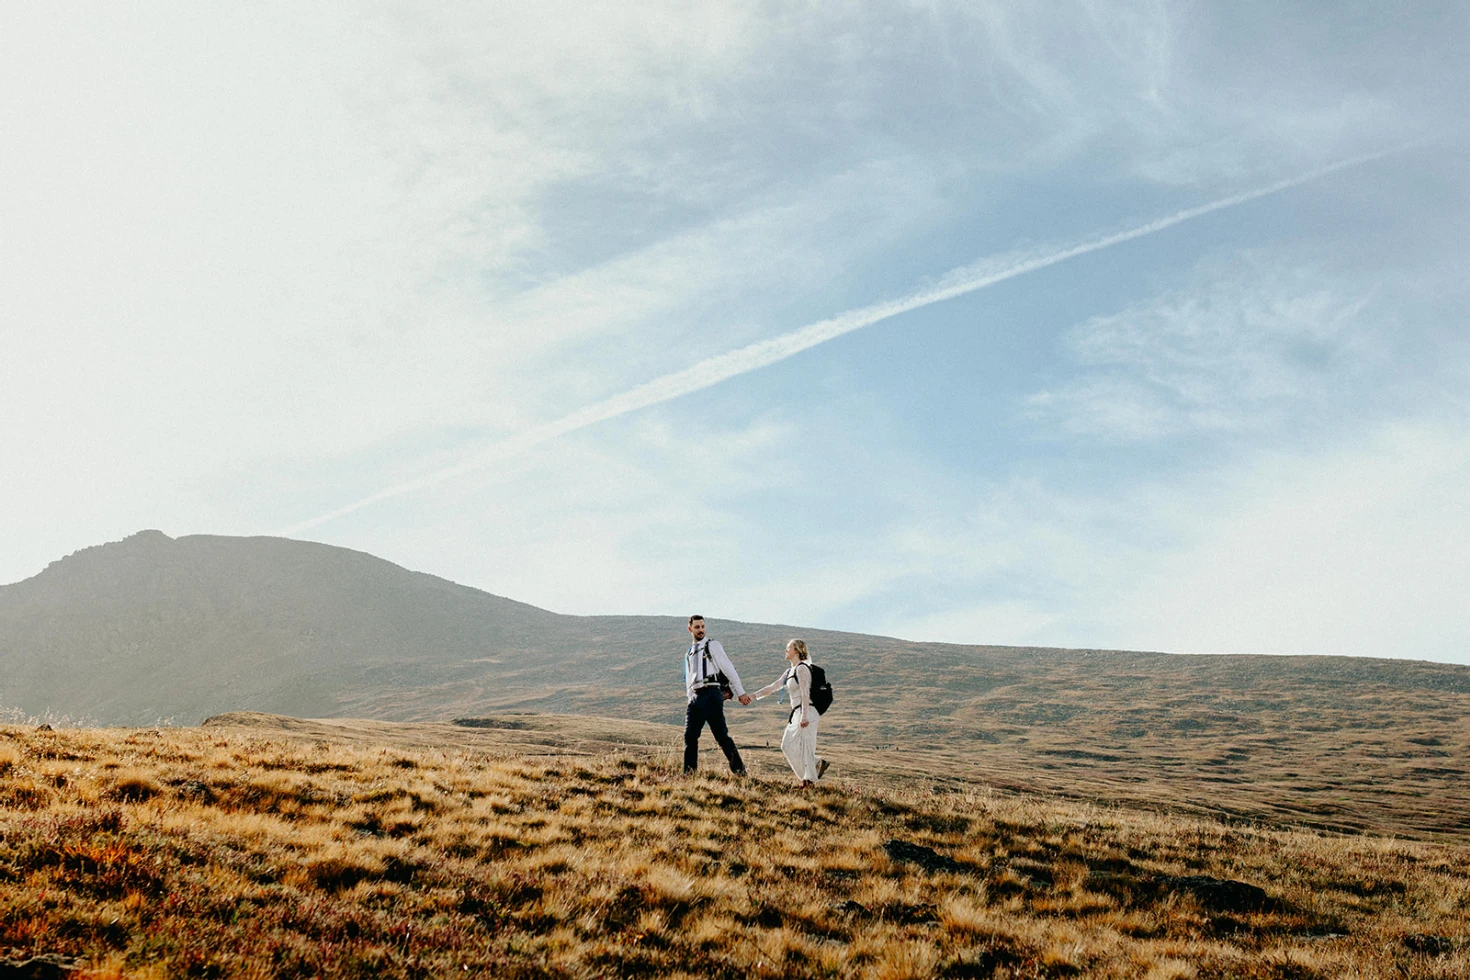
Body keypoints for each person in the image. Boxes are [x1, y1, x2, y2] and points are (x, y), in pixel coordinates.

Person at [752, 638, 828, 788]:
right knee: (786, 745)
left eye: (788, 648)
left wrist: (805, 715)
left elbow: (805, 692)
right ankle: (817, 764)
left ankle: (808, 782)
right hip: (797, 712)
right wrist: (753, 696)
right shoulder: (789, 672)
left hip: (807, 711)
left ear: (797, 650)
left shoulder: (802, 669)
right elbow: (773, 686)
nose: (786, 650)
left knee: (806, 746)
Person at [683, 615, 752, 775]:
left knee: (721, 735)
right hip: (695, 696)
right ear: (690, 629)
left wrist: (740, 692)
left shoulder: (712, 645)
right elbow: (688, 679)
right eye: (697, 627)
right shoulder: (689, 653)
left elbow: (728, 668)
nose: (700, 630)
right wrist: (689, 700)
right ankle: (689, 774)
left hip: (711, 693)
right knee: (689, 736)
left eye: (702, 627)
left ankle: (740, 771)